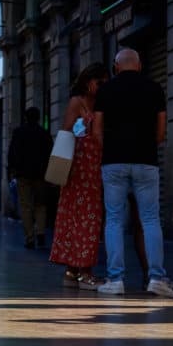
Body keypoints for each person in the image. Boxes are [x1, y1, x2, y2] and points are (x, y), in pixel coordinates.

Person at [94, 48, 173, 296]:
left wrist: (110, 150)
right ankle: (157, 278)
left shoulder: (105, 90)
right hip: (146, 161)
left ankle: (115, 280)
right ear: (139, 66)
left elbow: (97, 130)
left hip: (114, 162)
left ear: (116, 67)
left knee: (115, 220)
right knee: (150, 219)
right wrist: (147, 146)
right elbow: (161, 132)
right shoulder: (154, 88)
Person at [47, 63, 109, 288]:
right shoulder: (77, 102)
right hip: (79, 167)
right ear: (87, 81)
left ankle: (73, 271)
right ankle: (83, 272)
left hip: (95, 168)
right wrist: (81, 127)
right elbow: (66, 131)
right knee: (82, 218)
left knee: (89, 218)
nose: (102, 86)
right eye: (99, 81)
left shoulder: (102, 103)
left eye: (105, 82)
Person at [7, 106, 54, 249]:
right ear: (38, 118)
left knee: (26, 206)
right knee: (41, 205)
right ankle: (40, 231)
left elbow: (12, 153)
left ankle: (29, 238)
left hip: (23, 174)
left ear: (25, 117)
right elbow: (50, 154)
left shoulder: (18, 133)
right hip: (41, 174)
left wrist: (12, 170)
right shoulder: (44, 134)